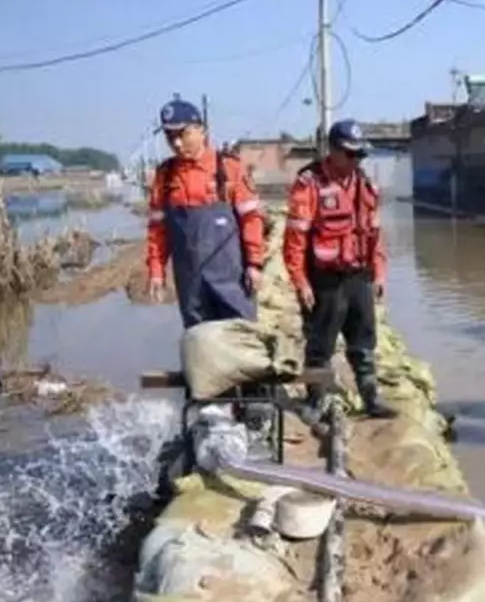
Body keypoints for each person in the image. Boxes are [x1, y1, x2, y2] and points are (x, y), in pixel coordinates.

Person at [283, 119, 397, 419]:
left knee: (364, 341)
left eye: (360, 154)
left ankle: (370, 398)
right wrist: (301, 283)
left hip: (358, 275)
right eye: (349, 154)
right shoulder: (309, 185)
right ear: (332, 151)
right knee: (319, 345)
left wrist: (380, 272)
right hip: (324, 280)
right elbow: (294, 241)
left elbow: (375, 235)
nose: (355, 160)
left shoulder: (366, 185)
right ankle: (314, 401)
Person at [145, 97, 265, 328]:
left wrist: (254, 264)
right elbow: (157, 231)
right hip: (190, 281)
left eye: (183, 134)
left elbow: (251, 220)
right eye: (170, 137)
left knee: (239, 335)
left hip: (231, 277)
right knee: (200, 341)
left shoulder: (228, 168)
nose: (177, 143)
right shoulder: (165, 176)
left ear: (202, 130)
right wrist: (156, 272)